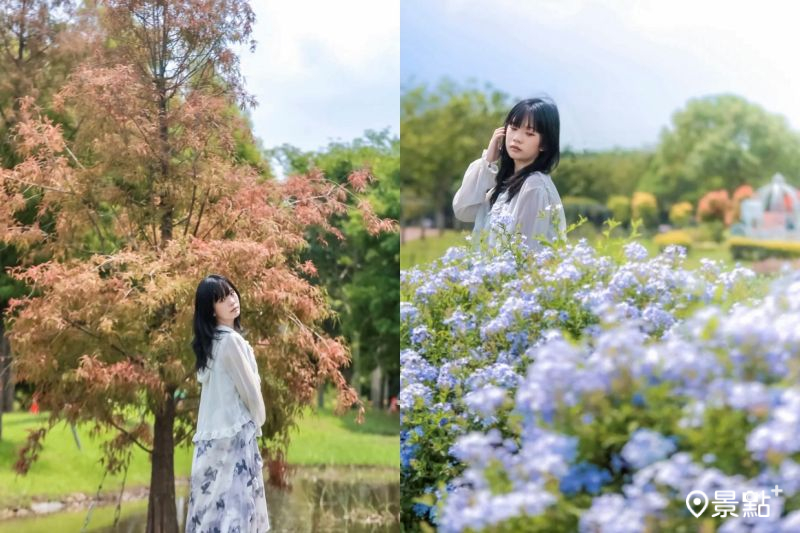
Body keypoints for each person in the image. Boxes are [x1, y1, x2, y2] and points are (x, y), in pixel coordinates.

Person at [186, 274, 270, 532]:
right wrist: (258, 421)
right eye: (222, 300)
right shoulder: (231, 341)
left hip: (210, 442)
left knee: (212, 515)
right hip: (234, 438)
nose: (232, 301)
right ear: (211, 310)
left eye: (231, 293)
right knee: (237, 515)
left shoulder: (211, 343)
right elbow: (251, 393)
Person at [453, 97, 566, 251]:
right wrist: (488, 161)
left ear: (544, 144)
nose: (517, 138)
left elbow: (525, 253)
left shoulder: (533, 186)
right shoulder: (506, 184)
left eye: (529, 133)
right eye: (513, 128)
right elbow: (463, 210)